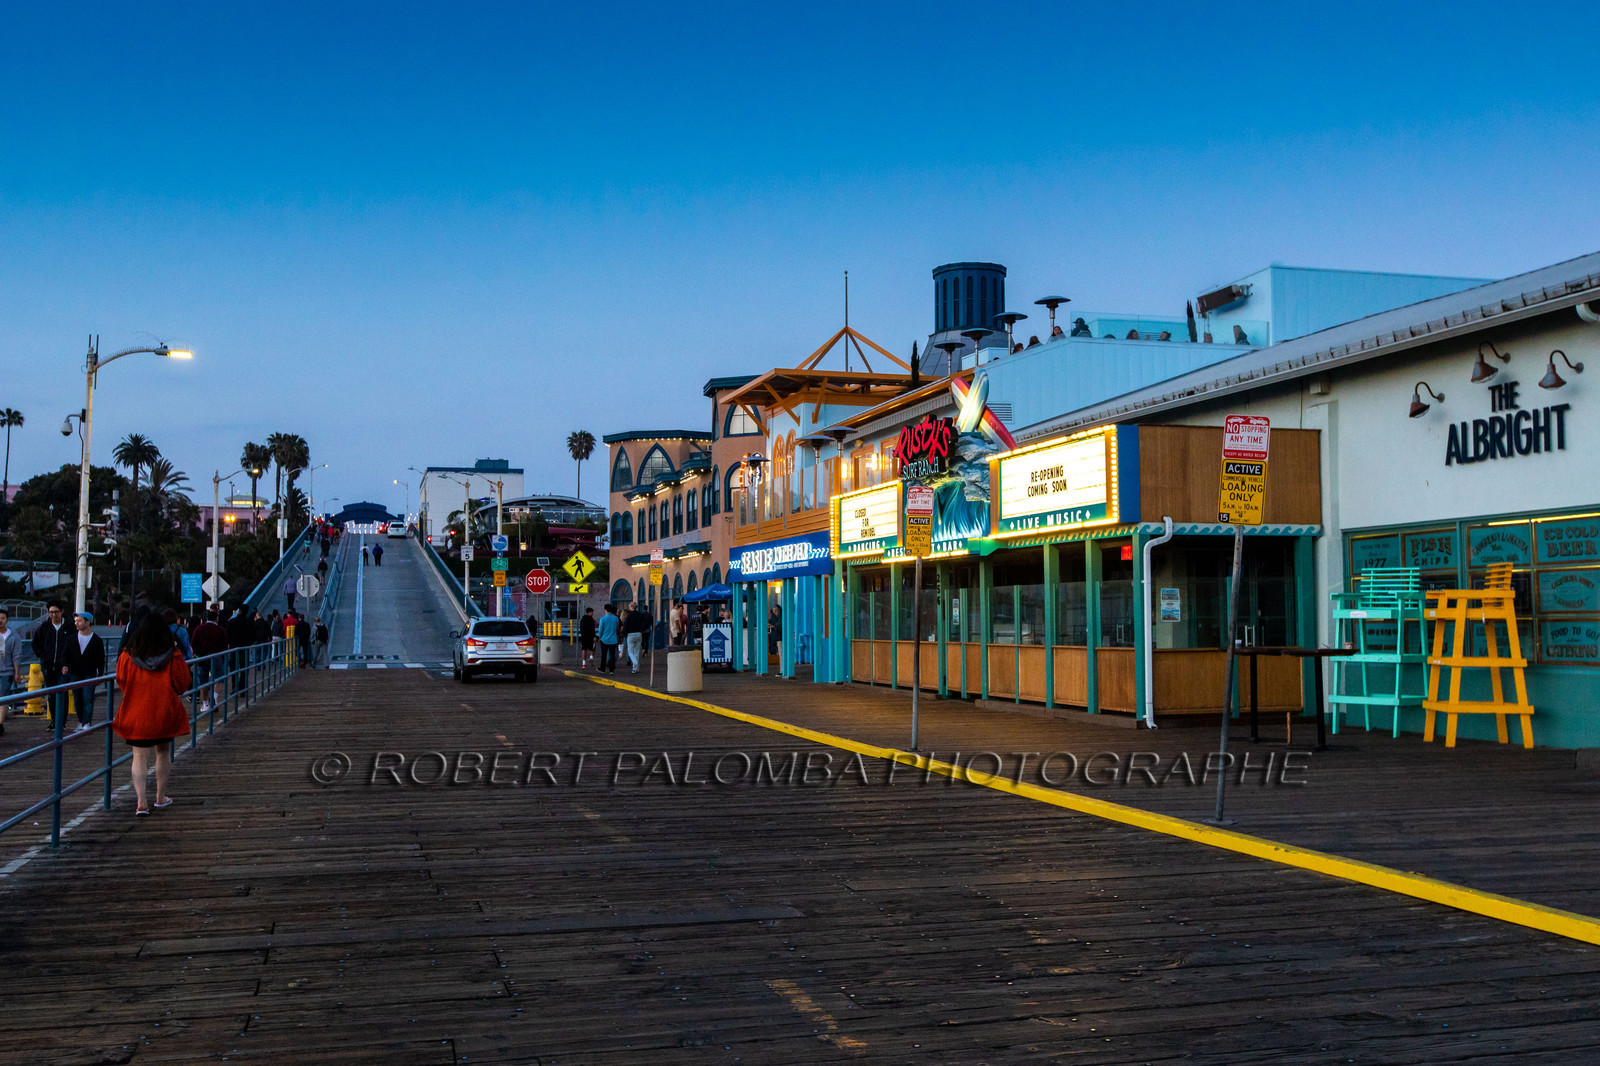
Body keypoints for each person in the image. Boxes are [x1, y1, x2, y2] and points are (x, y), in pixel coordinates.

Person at [113, 612, 190, 815]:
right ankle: (160, 797)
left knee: (139, 756)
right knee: (163, 752)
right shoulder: (172, 655)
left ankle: (141, 802)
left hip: (136, 712)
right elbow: (183, 684)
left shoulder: (127, 656)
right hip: (163, 712)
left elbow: (121, 681)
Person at [63, 611, 107, 731]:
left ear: (87, 622)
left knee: (87, 698)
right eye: (75, 621)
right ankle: (81, 721)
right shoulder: (71, 638)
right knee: (77, 699)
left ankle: (87, 722)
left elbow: (101, 658)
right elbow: (65, 654)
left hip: (90, 673)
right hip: (75, 673)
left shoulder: (96, 640)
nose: (76, 623)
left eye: (79, 621)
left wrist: (100, 674)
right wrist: (65, 666)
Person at [31, 602, 71, 727]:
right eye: (51, 612)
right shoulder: (44, 627)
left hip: (63, 666)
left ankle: (62, 721)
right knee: (52, 694)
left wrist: (69, 662)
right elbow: (35, 643)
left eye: (56, 612)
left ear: (62, 611)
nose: (54, 615)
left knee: (62, 692)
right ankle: (55, 720)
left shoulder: (69, 627)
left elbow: (74, 644)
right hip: (48, 666)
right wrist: (42, 656)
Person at [191, 606, 229, 712]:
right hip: (216, 656)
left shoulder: (199, 629)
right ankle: (214, 696)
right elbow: (225, 645)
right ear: (216, 619)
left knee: (203, 681)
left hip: (202, 658)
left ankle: (205, 704)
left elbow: (193, 643)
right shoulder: (220, 630)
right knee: (219, 678)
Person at [0, 607, 21, 733]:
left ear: (7, 620)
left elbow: (17, 655)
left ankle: (0, 723)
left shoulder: (13, 636)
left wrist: (17, 672)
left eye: (3, 618)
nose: (0, 621)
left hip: (6, 671)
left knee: (3, 697)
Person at [622, 601, 651, 674]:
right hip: (639, 634)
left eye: (629, 607)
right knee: (637, 651)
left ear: (632, 607)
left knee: (630, 651)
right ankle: (635, 669)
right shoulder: (641, 615)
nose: (629, 608)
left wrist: (624, 634)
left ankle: (635, 663)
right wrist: (642, 630)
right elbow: (645, 623)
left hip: (630, 634)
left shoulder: (629, 616)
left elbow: (625, 625)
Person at [596, 603, 621, 675]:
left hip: (604, 639)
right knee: (612, 655)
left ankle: (602, 668)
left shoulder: (603, 619)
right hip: (613, 639)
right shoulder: (616, 618)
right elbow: (617, 628)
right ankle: (612, 670)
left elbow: (600, 630)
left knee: (603, 655)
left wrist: (599, 637)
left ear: (605, 609)